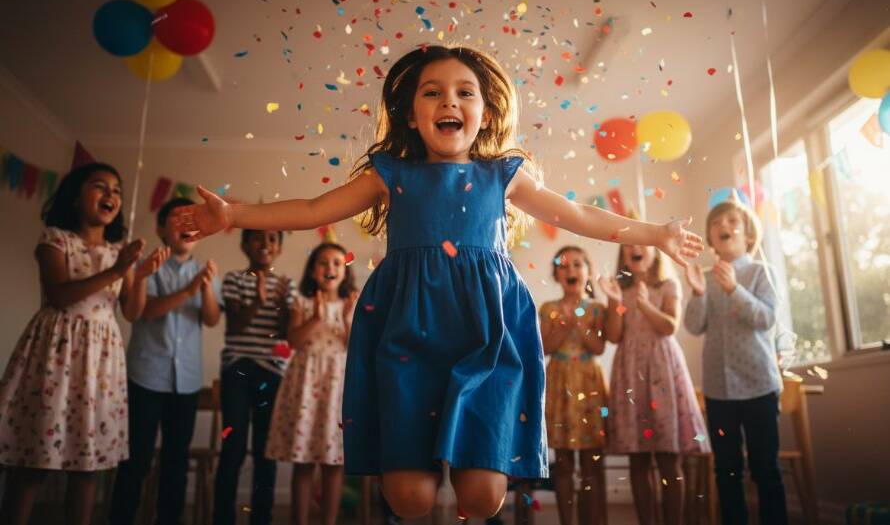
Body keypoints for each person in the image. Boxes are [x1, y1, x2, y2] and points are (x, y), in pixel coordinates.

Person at [170, 44, 703, 519]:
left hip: (485, 331)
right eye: (433, 92)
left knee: (482, 497)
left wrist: (656, 233)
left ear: (484, 112)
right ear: (411, 113)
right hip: (408, 329)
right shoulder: (390, 173)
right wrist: (234, 216)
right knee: (411, 500)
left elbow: (577, 216)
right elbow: (312, 209)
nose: (449, 102)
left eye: (463, 92)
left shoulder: (504, 175)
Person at [0, 162, 167, 525]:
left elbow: (134, 313)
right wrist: (118, 270)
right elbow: (60, 295)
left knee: (88, 467)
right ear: (76, 198)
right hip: (56, 353)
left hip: (100, 366)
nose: (111, 195)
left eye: (117, 190)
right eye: (100, 187)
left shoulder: (119, 252)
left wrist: (141, 276)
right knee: (33, 463)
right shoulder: (55, 239)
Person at [108, 197, 222, 525]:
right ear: (161, 229)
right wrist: (188, 291)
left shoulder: (207, 272)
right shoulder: (145, 266)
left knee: (176, 463)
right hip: (146, 376)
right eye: (176, 219)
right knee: (136, 461)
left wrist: (205, 288)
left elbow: (212, 319)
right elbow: (143, 311)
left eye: (192, 219)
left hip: (186, 381)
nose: (186, 225)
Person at [684, 193, 787, 525]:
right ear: (711, 237)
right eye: (716, 223)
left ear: (748, 234)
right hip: (719, 392)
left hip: (759, 387)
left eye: (731, 221)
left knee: (765, 469)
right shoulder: (705, 277)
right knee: (726, 471)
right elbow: (693, 326)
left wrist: (734, 290)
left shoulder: (761, 272)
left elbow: (767, 319)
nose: (723, 226)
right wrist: (699, 294)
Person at [598, 236, 709, 525]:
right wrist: (614, 301)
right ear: (624, 255)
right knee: (638, 458)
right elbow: (613, 335)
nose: (634, 248)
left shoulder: (667, 286)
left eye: (640, 244)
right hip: (630, 372)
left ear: (654, 252)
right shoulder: (620, 290)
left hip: (662, 371)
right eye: (629, 246)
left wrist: (645, 305)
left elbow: (669, 326)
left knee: (669, 456)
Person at [266, 243, 357, 525]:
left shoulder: (350, 303)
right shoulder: (302, 302)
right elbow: (293, 341)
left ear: (345, 271)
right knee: (303, 460)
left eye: (337, 263)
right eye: (323, 263)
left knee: (334, 463)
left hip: (336, 386)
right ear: (313, 270)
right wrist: (317, 318)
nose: (330, 268)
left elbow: (355, 348)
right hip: (305, 384)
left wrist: (346, 319)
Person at [214, 229, 297, 525]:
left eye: (273, 239)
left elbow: (288, 335)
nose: (265, 244)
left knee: (266, 452)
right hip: (237, 369)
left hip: (272, 373)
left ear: (280, 248)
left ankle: (261, 518)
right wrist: (259, 300)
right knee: (232, 450)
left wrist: (282, 305)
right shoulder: (234, 279)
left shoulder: (286, 285)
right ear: (244, 245)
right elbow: (234, 326)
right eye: (258, 238)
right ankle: (222, 518)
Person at [539, 246, 608, 525]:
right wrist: (564, 326)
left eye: (577, 265)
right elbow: (544, 347)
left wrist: (580, 325)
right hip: (559, 383)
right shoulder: (548, 309)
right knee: (564, 460)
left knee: (592, 460)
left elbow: (599, 347)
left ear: (588, 272)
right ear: (556, 274)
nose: (571, 270)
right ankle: (567, 520)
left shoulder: (597, 308)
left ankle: (593, 519)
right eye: (564, 266)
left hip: (589, 382)